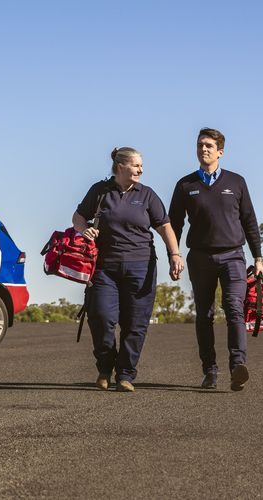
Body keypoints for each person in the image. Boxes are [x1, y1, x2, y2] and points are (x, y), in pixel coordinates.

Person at [72, 147, 184, 392]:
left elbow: (165, 226)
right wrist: (83, 230)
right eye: (136, 165)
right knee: (101, 317)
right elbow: (78, 217)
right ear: (120, 167)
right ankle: (105, 367)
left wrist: (174, 255)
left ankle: (125, 374)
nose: (141, 170)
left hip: (141, 266)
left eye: (141, 165)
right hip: (104, 267)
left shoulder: (147, 195)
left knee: (135, 323)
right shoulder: (100, 191)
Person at [168, 128, 263, 392]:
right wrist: (173, 256)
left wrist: (258, 257)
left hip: (233, 256)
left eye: (209, 145)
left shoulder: (237, 182)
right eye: (200, 145)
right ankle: (209, 370)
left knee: (234, 307)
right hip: (200, 257)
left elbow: (249, 221)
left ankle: (237, 366)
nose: (203, 149)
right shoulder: (185, 185)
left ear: (220, 151)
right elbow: (173, 224)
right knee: (204, 314)